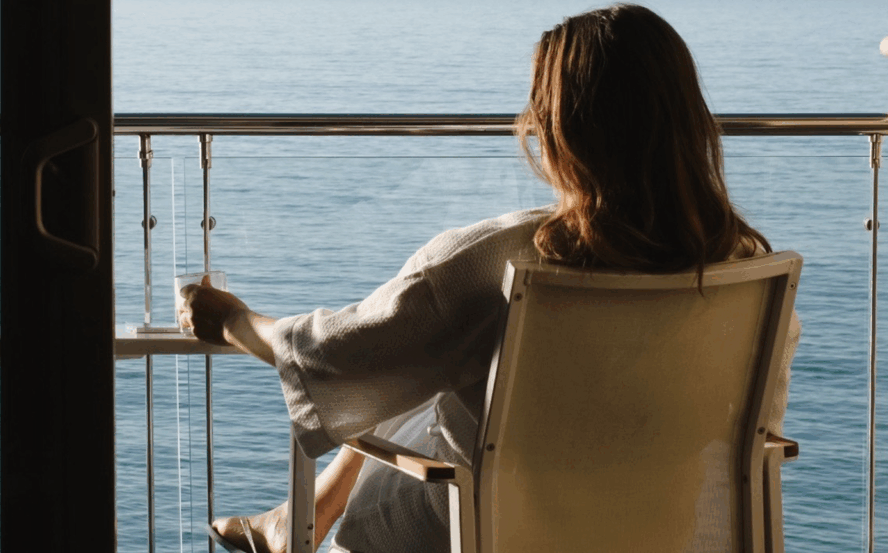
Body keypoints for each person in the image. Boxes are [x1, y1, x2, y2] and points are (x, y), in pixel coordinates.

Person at [180, 4, 800, 552]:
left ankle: (303, 518)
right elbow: (761, 431)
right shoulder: (744, 272)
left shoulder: (499, 260)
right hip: (656, 530)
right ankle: (306, 512)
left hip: (479, 529)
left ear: (560, 129)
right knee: (433, 359)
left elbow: (338, 355)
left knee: (419, 352)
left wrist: (233, 320)